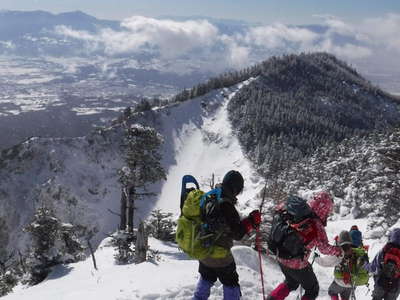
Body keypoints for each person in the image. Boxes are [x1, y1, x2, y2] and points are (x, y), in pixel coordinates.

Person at [193, 170, 261, 300]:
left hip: (204, 249)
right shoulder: (226, 205)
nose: (238, 194)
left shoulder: (210, 196)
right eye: (239, 190)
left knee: (206, 277)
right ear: (235, 188)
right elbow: (238, 233)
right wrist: (251, 221)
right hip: (220, 255)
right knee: (231, 283)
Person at [267, 191, 343, 300]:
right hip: (297, 264)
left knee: (291, 282)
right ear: (325, 209)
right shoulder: (316, 224)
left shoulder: (295, 213)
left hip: (281, 256)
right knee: (312, 290)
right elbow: (324, 249)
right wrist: (338, 251)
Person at [315, 230, 369, 300]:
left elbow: (325, 262)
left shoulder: (339, 252)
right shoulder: (356, 251)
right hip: (352, 282)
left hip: (340, 281)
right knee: (345, 297)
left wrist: (316, 258)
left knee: (332, 292)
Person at [366, 228, 400, 300]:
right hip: (395, 287)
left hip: (380, 284)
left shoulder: (385, 250)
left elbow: (373, 267)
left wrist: (365, 265)